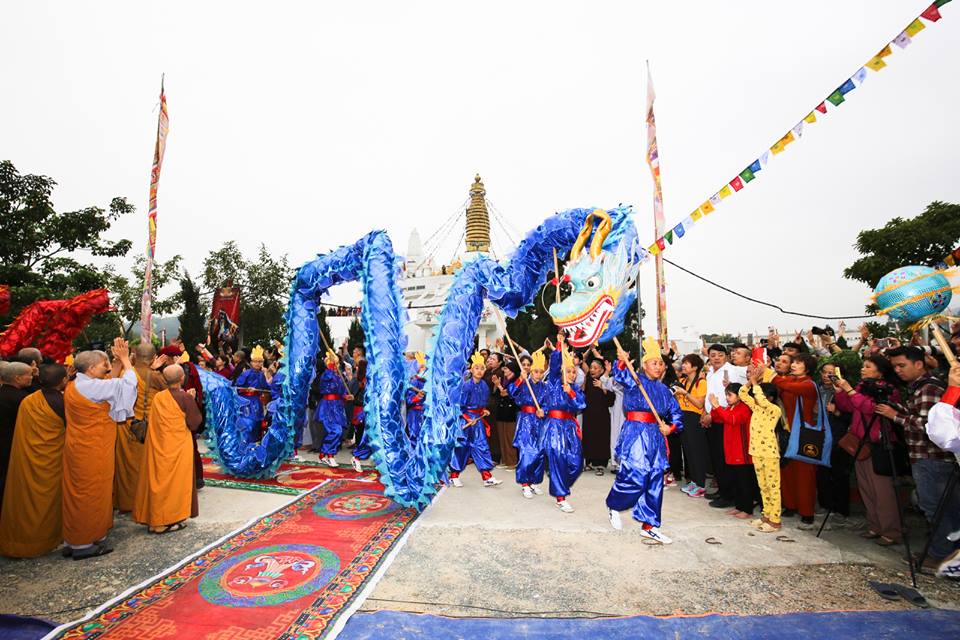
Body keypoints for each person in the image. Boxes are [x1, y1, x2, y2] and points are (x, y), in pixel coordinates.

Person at [879, 346, 959, 569]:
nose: (898, 370)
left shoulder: (929, 388)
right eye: (895, 367)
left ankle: (940, 554)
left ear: (919, 364)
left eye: (902, 365)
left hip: (932, 458)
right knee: (945, 508)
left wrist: (895, 416)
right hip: (926, 457)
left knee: (935, 508)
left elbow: (930, 426)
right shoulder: (917, 387)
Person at [63, 339, 138, 559]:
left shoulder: (78, 383)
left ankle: (74, 539)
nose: (106, 368)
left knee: (78, 492)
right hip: (92, 449)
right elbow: (128, 384)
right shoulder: (90, 387)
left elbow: (110, 383)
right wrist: (125, 360)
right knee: (90, 493)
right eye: (102, 365)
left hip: (79, 446)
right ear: (91, 368)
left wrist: (115, 363)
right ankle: (83, 544)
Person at [607, 338, 683, 543]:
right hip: (636, 433)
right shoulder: (635, 380)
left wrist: (670, 427)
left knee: (655, 479)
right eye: (654, 363)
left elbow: (676, 414)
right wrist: (621, 362)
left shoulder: (665, 391)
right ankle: (614, 504)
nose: (658, 367)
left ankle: (649, 526)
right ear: (644, 365)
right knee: (636, 474)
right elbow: (620, 375)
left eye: (661, 364)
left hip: (656, 437)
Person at [832, 354, 903, 546]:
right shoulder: (861, 387)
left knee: (883, 491)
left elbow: (871, 408)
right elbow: (849, 406)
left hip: (878, 444)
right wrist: (841, 392)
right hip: (859, 442)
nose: (863, 369)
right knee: (866, 488)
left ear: (881, 372)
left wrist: (850, 390)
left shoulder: (888, 390)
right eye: (863, 366)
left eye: (868, 366)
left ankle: (891, 531)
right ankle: (875, 526)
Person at [0, 364, 67, 557]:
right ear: (63, 381)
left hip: (27, 456)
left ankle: (18, 540)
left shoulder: (29, 400)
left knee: (25, 499)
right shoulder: (61, 402)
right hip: (52, 459)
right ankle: (46, 539)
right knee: (48, 500)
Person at [133, 365, 203, 534]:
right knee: (174, 484)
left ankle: (154, 520)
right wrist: (191, 400)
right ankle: (163, 522)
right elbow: (194, 423)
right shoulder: (185, 398)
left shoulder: (158, 397)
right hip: (178, 447)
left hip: (159, 445)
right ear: (182, 379)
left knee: (158, 481)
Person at [113, 342, 166, 513]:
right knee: (146, 466)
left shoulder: (125, 373)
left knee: (125, 465)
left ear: (135, 356)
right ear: (153, 358)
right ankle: (142, 502)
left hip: (125, 425)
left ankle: (125, 503)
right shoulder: (155, 376)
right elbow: (169, 394)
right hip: (147, 427)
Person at [772, 352, 820, 530]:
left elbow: (783, 384)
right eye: (794, 362)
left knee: (804, 474)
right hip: (787, 432)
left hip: (804, 433)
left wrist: (771, 374)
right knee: (787, 470)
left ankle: (807, 511)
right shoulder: (789, 380)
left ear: (807, 368)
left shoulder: (809, 385)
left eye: (798, 363)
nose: (793, 365)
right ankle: (790, 505)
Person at [539, 335, 585, 512]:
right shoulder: (553, 382)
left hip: (570, 427)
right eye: (568, 371)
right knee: (558, 459)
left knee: (576, 463)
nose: (572, 374)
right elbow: (554, 364)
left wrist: (571, 393)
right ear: (561, 372)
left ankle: (559, 482)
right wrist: (559, 345)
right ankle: (560, 497)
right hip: (554, 426)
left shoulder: (576, 389)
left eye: (574, 372)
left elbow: (581, 405)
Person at [449, 352, 503, 488]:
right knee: (462, 447)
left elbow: (482, 404)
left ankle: (487, 477)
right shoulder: (466, 386)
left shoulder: (484, 386)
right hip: (466, 421)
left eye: (482, 368)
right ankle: (454, 475)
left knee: (481, 446)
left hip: (478, 422)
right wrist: (467, 418)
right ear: (472, 370)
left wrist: (484, 410)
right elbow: (459, 406)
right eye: (477, 368)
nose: (479, 371)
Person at [739, 372, 783, 532]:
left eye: (761, 394)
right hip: (756, 451)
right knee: (763, 486)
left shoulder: (774, 409)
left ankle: (775, 520)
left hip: (769, 454)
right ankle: (766, 515)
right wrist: (750, 383)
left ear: (770, 397)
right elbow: (742, 394)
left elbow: (762, 400)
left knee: (773, 487)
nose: (757, 396)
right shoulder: (756, 408)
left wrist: (755, 383)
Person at [709, 383, 757, 520]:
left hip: (742, 451)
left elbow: (732, 419)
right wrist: (715, 407)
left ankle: (747, 509)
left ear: (740, 396)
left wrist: (718, 407)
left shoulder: (745, 408)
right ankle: (739, 506)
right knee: (735, 480)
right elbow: (718, 418)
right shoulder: (731, 407)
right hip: (731, 450)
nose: (727, 398)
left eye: (730, 395)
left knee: (744, 482)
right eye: (726, 395)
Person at [703, 344, 736, 508]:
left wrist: (711, 414)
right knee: (716, 458)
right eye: (713, 355)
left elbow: (729, 399)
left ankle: (728, 495)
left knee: (724, 459)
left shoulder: (730, 372)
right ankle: (722, 490)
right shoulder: (710, 372)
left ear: (726, 356)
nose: (716, 358)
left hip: (723, 419)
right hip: (712, 419)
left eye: (720, 355)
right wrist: (705, 412)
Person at [0, 361, 36, 516]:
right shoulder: (23, 399)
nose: (32, 378)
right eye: (29, 375)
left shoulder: (4, 393)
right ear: (17, 378)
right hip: (13, 444)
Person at [510, 350, 546, 498]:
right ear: (531, 371)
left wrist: (544, 411)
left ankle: (534, 482)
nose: (538, 374)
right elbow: (512, 392)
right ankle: (525, 483)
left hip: (539, 422)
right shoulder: (524, 383)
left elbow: (549, 403)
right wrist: (520, 379)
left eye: (541, 372)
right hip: (525, 420)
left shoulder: (544, 387)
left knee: (539, 452)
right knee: (526, 451)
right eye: (536, 371)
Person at [674, 354, 709, 498]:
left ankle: (701, 484)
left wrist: (685, 393)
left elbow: (699, 404)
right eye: (683, 363)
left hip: (694, 418)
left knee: (697, 452)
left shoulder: (701, 382)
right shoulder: (682, 381)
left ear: (695, 367)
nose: (683, 365)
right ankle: (694, 481)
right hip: (683, 417)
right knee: (688, 452)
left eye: (686, 363)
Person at [314, 350, 353, 467]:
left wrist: (346, 396)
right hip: (328, 407)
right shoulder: (326, 374)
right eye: (334, 363)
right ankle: (329, 455)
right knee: (335, 431)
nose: (336, 365)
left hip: (337, 407)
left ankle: (324, 454)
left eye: (337, 363)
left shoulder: (339, 377)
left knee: (338, 431)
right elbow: (326, 380)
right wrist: (331, 366)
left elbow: (342, 392)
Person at [582, 357, 614, 474]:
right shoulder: (588, 380)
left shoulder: (606, 380)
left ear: (601, 370)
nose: (592, 370)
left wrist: (603, 387)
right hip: (588, 414)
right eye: (591, 368)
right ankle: (589, 462)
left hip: (602, 415)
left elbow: (611, 400)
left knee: (601, 438)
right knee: (588, 437)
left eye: (595, 368)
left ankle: (601, 464)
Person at [234, 345, 272, 443]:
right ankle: (244, 444)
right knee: (248, 424)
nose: (258, 364)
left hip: (257, 402)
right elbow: (237, 386)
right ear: (251, 362)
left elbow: (266, 387)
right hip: (246, 402)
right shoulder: (246, 373)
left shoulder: (261, 374)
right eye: (256, 361)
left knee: (257, 424)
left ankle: (253, 445)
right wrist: (247, 390)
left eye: (260, 362)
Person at [492, 361, 520, 469]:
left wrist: (499, 386)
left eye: (506, 368)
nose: (504, 370)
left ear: (512, 370)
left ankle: (512, 461)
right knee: (502, 436)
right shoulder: (504, 380)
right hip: (502, 411)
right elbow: (498, 394)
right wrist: (497, 385)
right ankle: (505, 460)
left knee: (509, 437)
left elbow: (506, 394)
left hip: (511, 412)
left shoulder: (516, 381)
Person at [405, 352, 427, 440]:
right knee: (414, 437)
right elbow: (408, 400)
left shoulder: (427, 382)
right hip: (414, 413)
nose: (424, 369)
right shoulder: (413, 381)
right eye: (422, 367)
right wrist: (417, 397)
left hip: (424, 413)